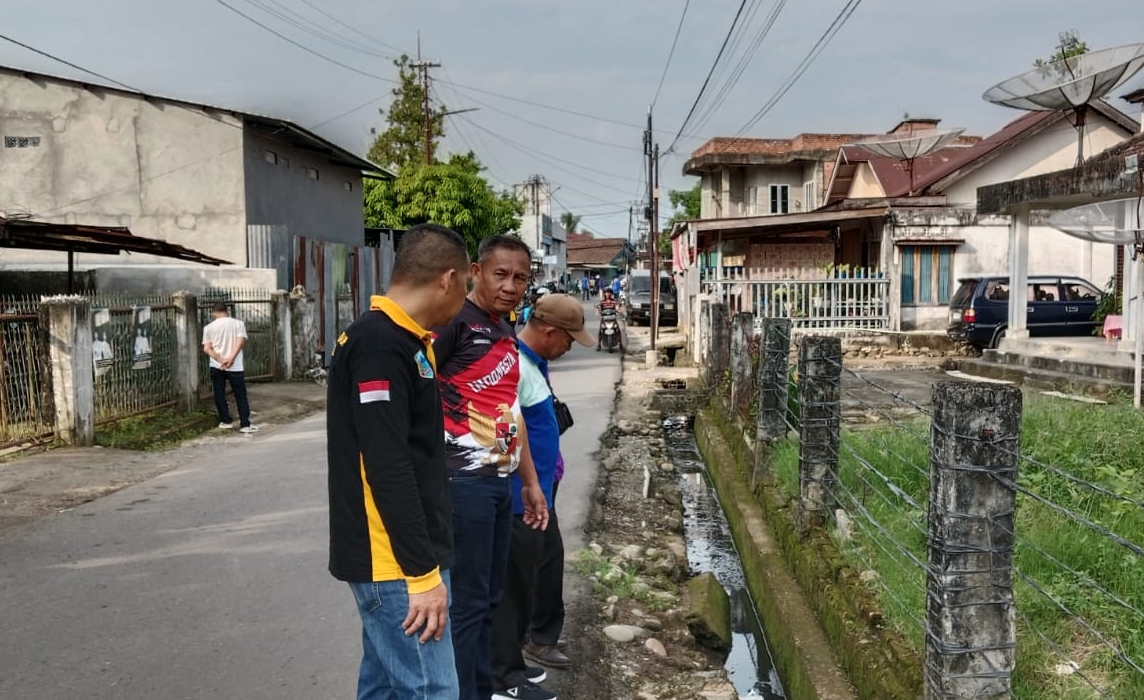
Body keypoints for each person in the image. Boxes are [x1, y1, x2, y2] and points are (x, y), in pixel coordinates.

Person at [326, 223, 471, 700]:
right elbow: (386, 467)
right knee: (431, 690)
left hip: (400, 562)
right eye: (466, 286)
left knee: (386, 687)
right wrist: (422, 576)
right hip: (395, 565)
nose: (463, 300)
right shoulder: (379, 346)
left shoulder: (406, 340)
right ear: (448, 279)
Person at [433, 234, 550, 700]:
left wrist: (531, 482)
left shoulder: (503, 330)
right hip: (463, 482)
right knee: (467, 604)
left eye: (520, 277)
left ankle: (483, 689)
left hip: (499, 482)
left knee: (488, 601)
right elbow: (415, 391)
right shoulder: (453, 324)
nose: (510, 285)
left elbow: (511, 412)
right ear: (475, 273)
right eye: (500, 274)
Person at [491, 294, 592, 700]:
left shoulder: (532, 363)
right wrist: (523, 485)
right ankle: (501, 676)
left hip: (535, 492)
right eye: (569, 339)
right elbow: (505, 431)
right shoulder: (512, 364)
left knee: (535, 570)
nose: (571, 347)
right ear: (549, 331)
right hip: (519, 497)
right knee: (512, 584)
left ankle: (515, 663)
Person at [527, 451, 568, 668]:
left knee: (542, 556)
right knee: (548, 557)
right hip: (533, 479)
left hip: (543, 475)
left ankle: (534, 633)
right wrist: (532, 482)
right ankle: (541, 639)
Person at [202, 302, 257, 433]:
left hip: (216, 366)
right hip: (235, 366)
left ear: (213, 312)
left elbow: (207, 348)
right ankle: (245, 424)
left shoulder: (208, 327)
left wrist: (220, 359)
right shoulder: (238, 324)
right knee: (240, 395)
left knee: (219, 394)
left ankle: (226, 421)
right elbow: (240, 342)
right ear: (227, 310)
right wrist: (231, 358)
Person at [595, 287, 623, 352]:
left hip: (613, 319)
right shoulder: (602, 302)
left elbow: (617, 307)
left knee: (618, 331)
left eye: (609, 293)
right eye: (606, 293)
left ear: (611, 294)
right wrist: (598, 310)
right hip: (604, 319)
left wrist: (618, 310)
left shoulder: (614, 301)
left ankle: (621, 344)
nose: (608, 294)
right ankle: (598, 344)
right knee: (600, 331)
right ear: (604, 294)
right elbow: (598, 307)